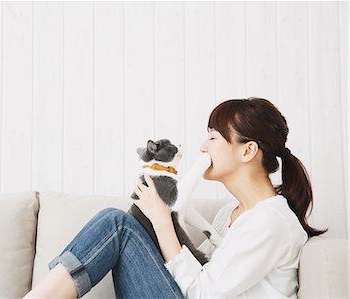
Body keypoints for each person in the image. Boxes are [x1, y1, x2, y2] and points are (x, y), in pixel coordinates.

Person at [23, 97, 326, 299]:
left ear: (247, 151)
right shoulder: (231, 216)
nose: (202, 147)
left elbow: (201, 292)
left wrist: (161, 219)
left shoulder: (270, 222)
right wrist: (158, 217)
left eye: (213, 137)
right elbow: (194, 268)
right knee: (123, 224)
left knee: (116, 225)